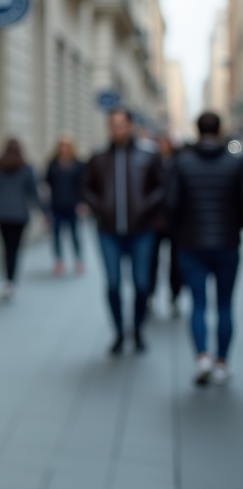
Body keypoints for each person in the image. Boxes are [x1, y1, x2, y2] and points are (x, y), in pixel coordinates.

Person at [167, 112, 243, 386]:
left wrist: (180, 232)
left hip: (191, 244)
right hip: (226, 244)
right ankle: (222, 363)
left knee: (197, 304)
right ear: (220, 131)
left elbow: (172, 204)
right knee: (225, 305)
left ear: (198, 131)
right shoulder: (235, 163)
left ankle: (202, 358)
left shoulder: (182, 163)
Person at [82, 108, 164, 354]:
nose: (116, 129)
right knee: (114, 284)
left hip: (142, 231)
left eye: (121, 125)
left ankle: (137, 328)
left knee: (141, 284)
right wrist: (99, 207)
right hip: (108, 232)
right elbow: (85, 187)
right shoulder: (98, 157)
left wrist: (146, 208)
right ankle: (118, 331)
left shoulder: (149, 155)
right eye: (112, 125)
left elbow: (162, 186)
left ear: (130, 126)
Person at [0, 139, 41, 300]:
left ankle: (6, 282)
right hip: (19, 214)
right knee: (15, 250)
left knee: (5, 249)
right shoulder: (27, 167)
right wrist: (43, 211)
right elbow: (33, 192)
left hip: (1, 213)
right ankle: (11, 282)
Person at [150, 133, 184, 315]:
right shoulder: (151, 162)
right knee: (151, 261)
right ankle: (150, 295)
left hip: (174, 222)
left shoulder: (179, 162)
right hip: (154, 221)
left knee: (176, 262)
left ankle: (175, 295)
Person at [45, 133, 85, 276]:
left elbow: (83, 185)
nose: (64, 149)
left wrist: (82, 202)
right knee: (56, 235)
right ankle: (59, 261)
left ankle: (78, 260)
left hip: (73, 205)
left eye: (67, 146)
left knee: (75, 234)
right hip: (56, 204)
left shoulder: (78, 164)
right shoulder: (53, 164)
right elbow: (47, 182)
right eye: (62, 146)